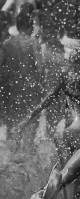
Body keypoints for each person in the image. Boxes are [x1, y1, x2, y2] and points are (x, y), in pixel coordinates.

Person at [0, 6, 42, 148]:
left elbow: (3, 69)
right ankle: (28, 151)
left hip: (12, 89)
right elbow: (40, 67)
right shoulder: (33, 43)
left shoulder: (7, 44)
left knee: (12, 124)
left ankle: (12, 152)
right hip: (29, 89)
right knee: (29, 122)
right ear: (29, 26)